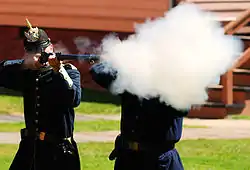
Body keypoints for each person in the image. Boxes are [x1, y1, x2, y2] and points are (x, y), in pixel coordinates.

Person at [1, 20, 82, 170]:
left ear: (50, 47)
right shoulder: (27, 73)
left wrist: (58, 70)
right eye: (32, 51)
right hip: (30, 147)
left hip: (58, 150)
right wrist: (25, 64)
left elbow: (74, 98)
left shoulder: (69, 71)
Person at [89, 61, 188, 170]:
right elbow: (98, 72)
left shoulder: (173, 85)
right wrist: (119, 61)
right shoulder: (129, 79)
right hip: (128, 156)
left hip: (159, 158)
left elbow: (183, 108)